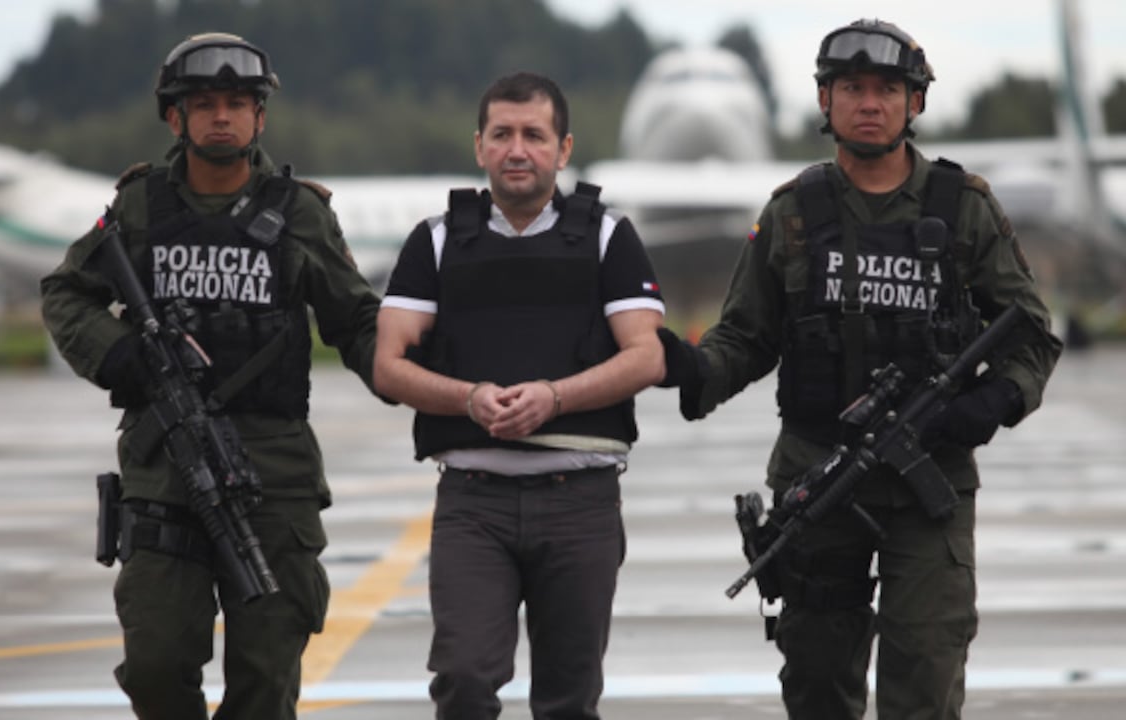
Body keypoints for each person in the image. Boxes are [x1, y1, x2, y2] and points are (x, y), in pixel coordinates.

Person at [656, 19, 1063, 720]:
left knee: (925, 674)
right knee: (817, 680)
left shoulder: (962, 207)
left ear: (916, 104)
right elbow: (747, 337)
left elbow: (1030, 334)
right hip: (819, 476)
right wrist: (685, 368)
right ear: (825, 100)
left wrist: (991, 402)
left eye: (887, 89)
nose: (869, 103)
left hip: (927, 483)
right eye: (851, 88)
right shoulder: (792, 214)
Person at [40, 32, 380, 720]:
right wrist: (119, 355)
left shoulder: (301, 214)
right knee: (158, 667)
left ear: (261, 117)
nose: (221, 116)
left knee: (265, 680)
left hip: (275, 479)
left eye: (237, 103)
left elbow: (359, 323)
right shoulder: (138, 208)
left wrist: (437, 386)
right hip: (166, 475)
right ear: (175, 118)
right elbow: (65, 293)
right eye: (203, 104)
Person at [372, 72, 665, 720]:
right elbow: (387, 364)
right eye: (502, 134)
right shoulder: (438, 239)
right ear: (479, 147)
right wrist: (469, 399)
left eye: (535, 135)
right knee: (465, 681)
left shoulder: (608, 236)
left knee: (568, 700)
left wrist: (555, 398)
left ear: (563, 149)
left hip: (579, 503)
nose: (517, 149)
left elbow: (647, 354)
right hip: (474, 505)